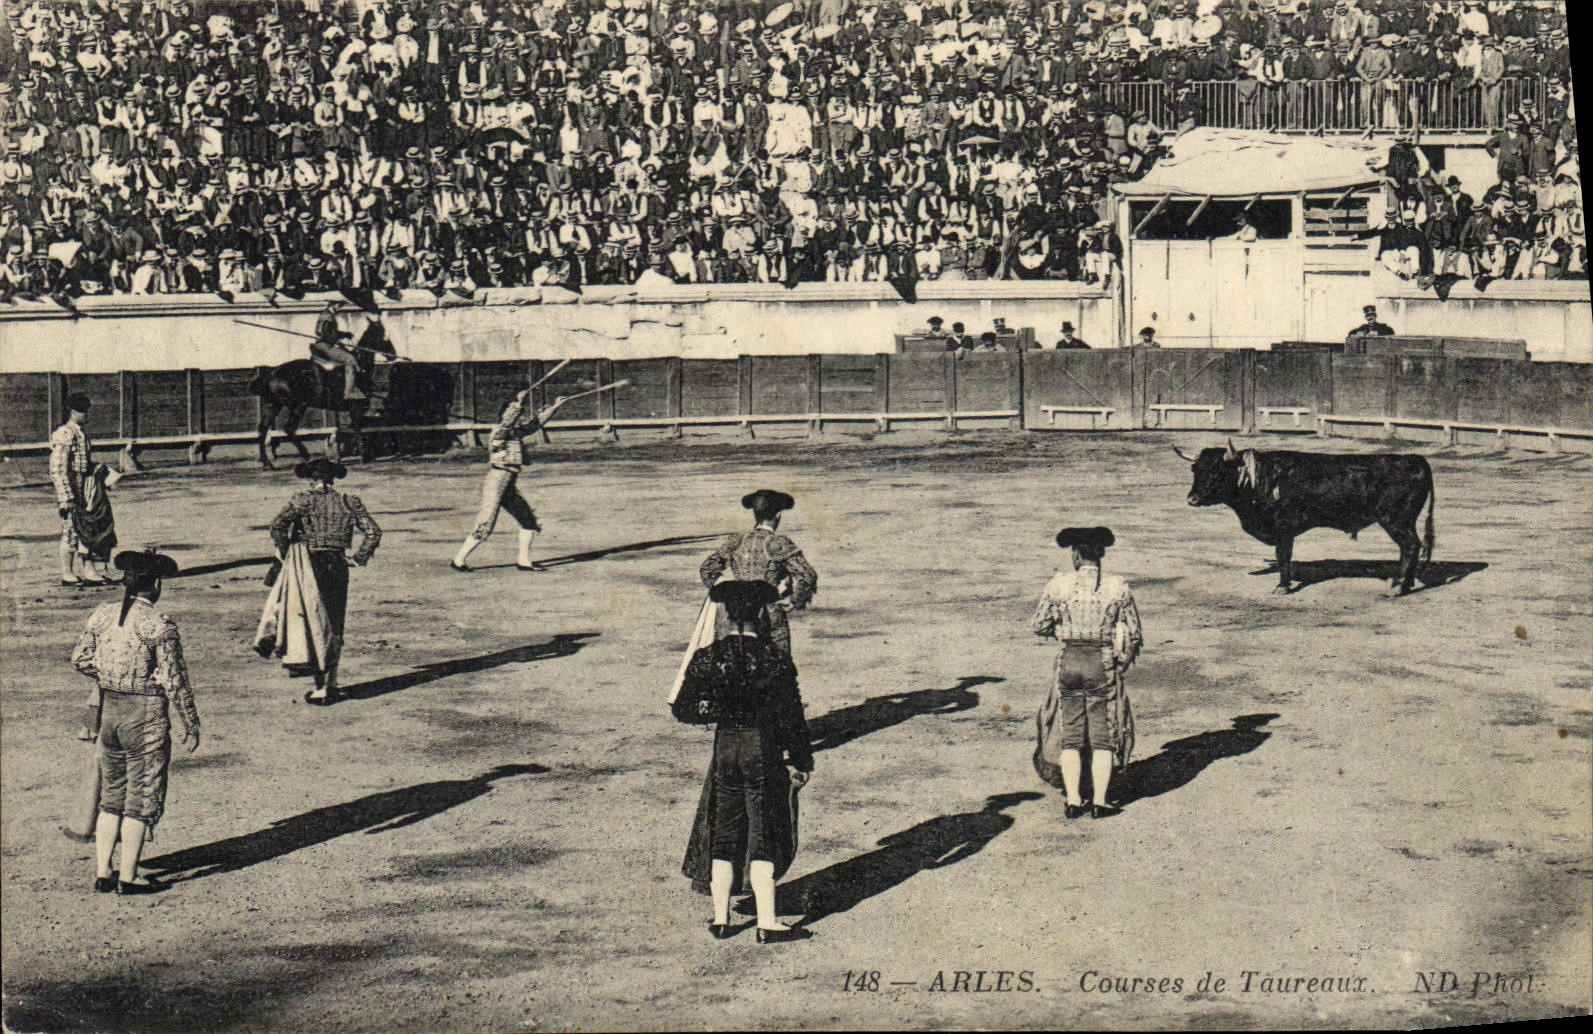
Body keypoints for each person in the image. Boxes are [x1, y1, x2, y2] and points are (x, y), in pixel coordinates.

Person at [675, 580, 814, 943]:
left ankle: (721, 919)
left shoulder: (709, 655)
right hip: (761, 748)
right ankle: (767, 922)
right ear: (759, 615)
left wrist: (719, 709)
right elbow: (792, 717)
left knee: (725, 831)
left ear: (728, 613)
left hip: (725, 749)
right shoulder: (773, 658)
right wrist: (800, 760)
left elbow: (684, 708)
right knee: (763, 831)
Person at [70, 549, 199, 894]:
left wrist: (112, 676)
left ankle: (102, 872)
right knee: (141, 796)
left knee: (112, 794)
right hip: (145, 717)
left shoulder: (103, 615)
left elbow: (80, 659)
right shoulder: (158, 624)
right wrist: (190, 721)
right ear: (155, 585)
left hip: (110, 712)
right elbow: (175, 680)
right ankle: (128, 877)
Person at [1031, 526, 1142, 819]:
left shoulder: (1058, 585)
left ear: (1076, 554)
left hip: (1069, 660)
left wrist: (1065, 632)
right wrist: (1119, 661)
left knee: (1071, 733)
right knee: (1102, 735)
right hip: (1101, 662)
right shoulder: (1118, 587)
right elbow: (1133, 636)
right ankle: (1101, 801)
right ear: (1101, 554)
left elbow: (1039, 625)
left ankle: (1074, 800)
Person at [268, 457, 382, 704]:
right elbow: (373, 532)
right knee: (335, 623)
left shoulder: (303, 500)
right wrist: (358, 557)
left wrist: (285, 552)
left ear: (311, 478)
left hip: (309, 565)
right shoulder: (348, 502)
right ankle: (332, 683)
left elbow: (277, 525)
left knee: (313, 623)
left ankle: (319, 688)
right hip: (338, 565)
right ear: (333, 478)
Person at [451, 384, 575, 572]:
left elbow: (535, 424)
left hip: (508, 483)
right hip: (497, 480)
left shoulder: (514, 433)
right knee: (485, 524)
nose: (520, 418)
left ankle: (524, 561)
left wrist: (555, 406)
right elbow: (507, 422)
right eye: (516, 414)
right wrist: (518, 401)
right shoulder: (499, 431)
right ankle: (458, 560)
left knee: (528, 521)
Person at [699, 489, 818, 658]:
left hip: (733, 613)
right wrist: (794, 600)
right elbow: (808, 575)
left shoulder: (737, 540)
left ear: (755, 515)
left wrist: (728, 591)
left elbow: (708, 568)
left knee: (730, 662)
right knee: (776, 666)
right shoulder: (778, 543)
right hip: (768, 613)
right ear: (778, 516)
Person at [50, 392, 113, 586]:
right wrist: (66, 497)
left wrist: (96, 469)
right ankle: (67, 573)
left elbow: (82, 464)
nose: (87, 415)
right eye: (83, 411)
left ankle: (89, 571)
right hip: (73, 486)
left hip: (85, 485)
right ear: (73, 411)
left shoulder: (78, 432)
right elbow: (58, 467)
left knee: (88, 527)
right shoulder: (65, 433)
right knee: (70, 528)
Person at [310, 300, 363, 400]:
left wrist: (344, 334)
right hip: (325, 345)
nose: (340, 308)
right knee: (350, 360)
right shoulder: (327, 316)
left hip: (327, 343)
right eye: (339, 306)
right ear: (334, 305)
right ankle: (349, 392)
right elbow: (321, 332)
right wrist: (334, 340)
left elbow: (330, 332)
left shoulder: (328, 315)